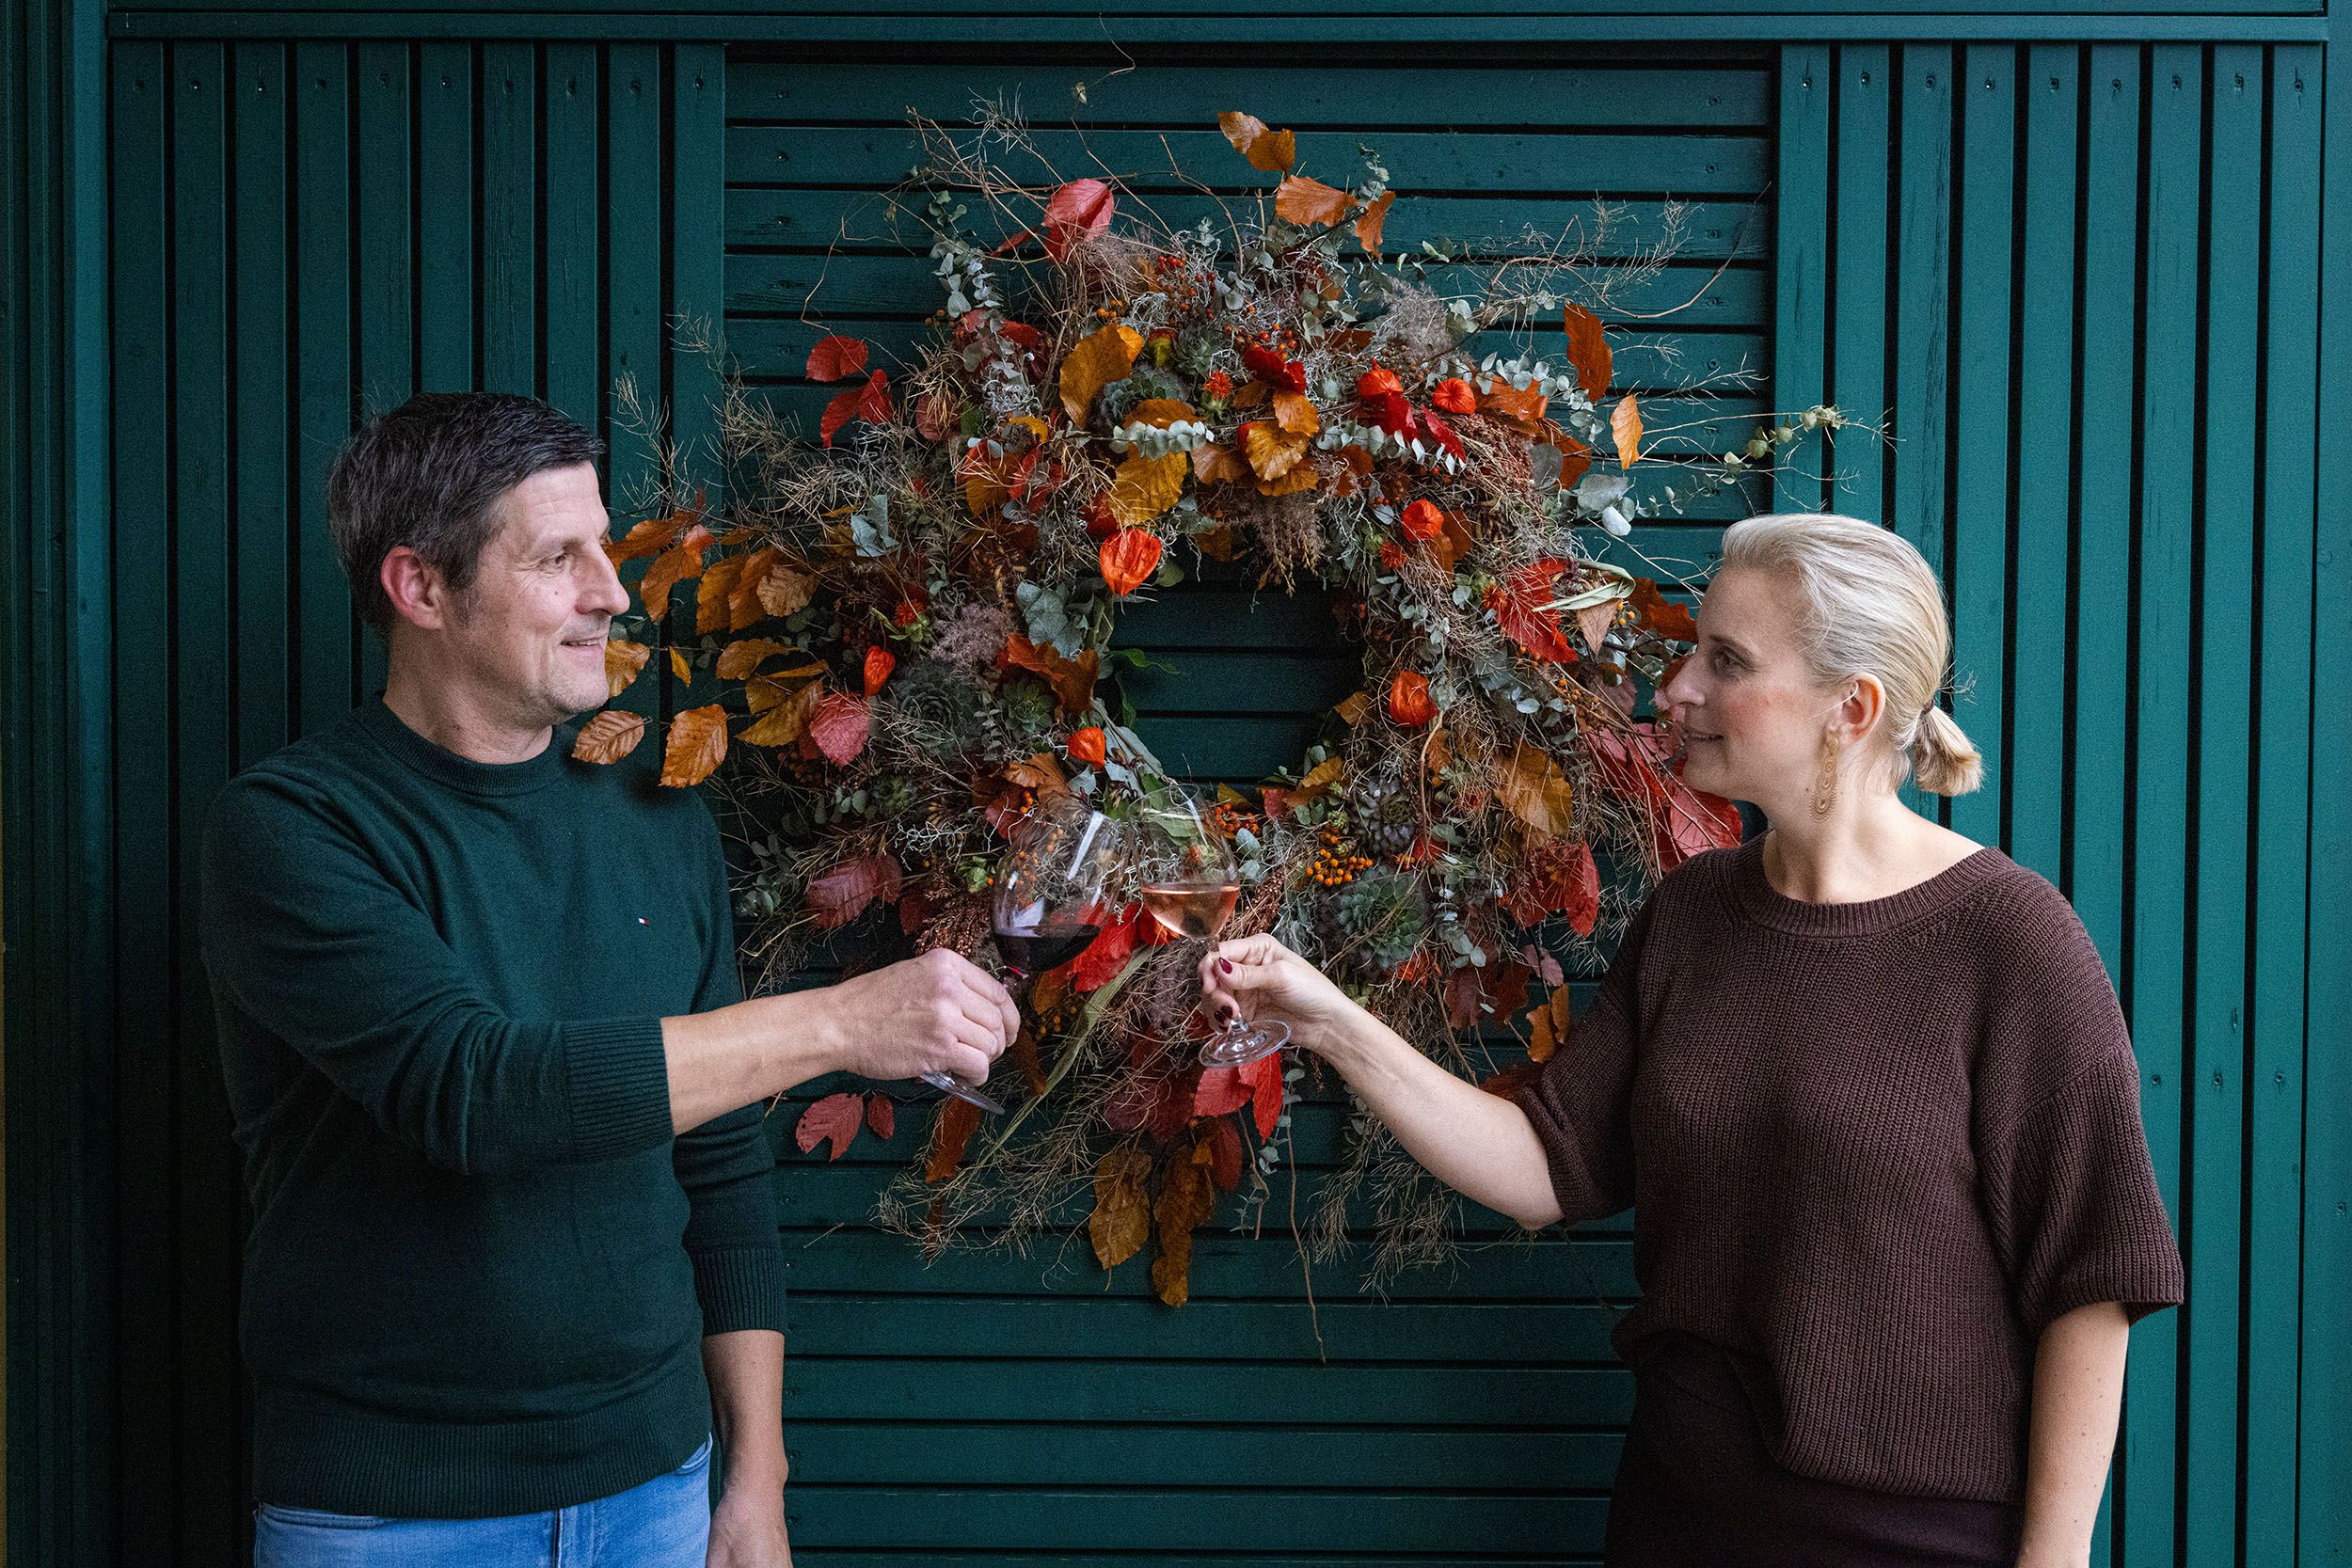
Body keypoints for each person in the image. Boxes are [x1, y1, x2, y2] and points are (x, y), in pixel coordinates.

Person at [1200, 513, 2184, 1568]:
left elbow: (2090, 1277)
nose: (1675, 687)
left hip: (1914, 1537)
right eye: (1690, 649)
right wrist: (1330, 1021)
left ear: (1848, 709)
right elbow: (1543, 1165)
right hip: (1678, 1516)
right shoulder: (1692, 913)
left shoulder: (2010, 939)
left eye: (1726, 659)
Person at [200, 392, 1018, 1568]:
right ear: (420, 587)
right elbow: (475, 1093)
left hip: (659, 1491)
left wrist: (756, 1479)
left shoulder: (652, 811)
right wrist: (842, 1019)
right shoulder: (290, 829)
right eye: (557, 558)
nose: (612, 591)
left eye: (603, 546)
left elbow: (722, 1164)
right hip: (394, 1517)